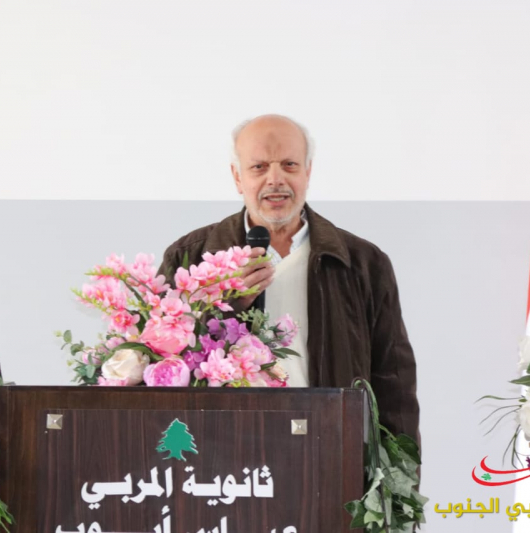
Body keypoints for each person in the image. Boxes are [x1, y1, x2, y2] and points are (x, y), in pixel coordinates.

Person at [159, 114, 419, 441]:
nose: (275, 179)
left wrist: (399, 469)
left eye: (289, 165)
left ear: (307, 172)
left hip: (331, 447)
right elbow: (161, 366)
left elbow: (394, 381)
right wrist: (226, 306)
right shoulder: (190, 258)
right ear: (238, 177)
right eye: (259, 167)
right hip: (225, 450)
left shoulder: (363, 263)